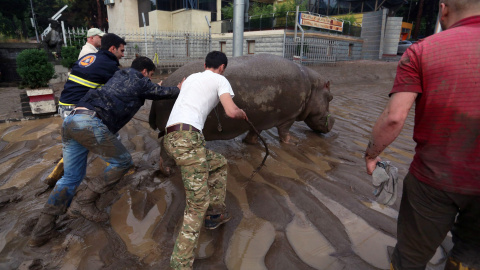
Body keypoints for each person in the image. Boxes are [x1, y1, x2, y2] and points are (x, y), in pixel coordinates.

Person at [364, 1, 480, 269]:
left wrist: (372, 154)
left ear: (444, 9)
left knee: (411, 257)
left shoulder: (422, 50)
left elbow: (394, 117)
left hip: (433, 181)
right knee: (472, 253)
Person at [29, 56, 182, 247]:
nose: (149, 79)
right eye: (150, 76)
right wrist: (179, 88)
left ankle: (41, 232)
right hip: (89, 124)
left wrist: (153, 87)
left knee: (70, 178)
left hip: (72, 121)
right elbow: (164, 92)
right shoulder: (139, 79)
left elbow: (149, 90)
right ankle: (85, 200)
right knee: (123, 162)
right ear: (145, 71)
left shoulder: (119, 75)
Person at [163, 51, 247, 269]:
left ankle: (215, 214)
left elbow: (180, 89)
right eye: (223, 69)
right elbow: (229, 111)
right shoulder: (220, 79)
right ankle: (179, 264)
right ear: (222, 67)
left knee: (219, 162)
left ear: (204, 64)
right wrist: (241, 113)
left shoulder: (191, 77)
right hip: (188, 140)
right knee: (196, 205)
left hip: (171, 138)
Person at [44, 33, 126, 187]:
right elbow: (123, 87)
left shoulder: (88, 58)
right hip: (79, 111)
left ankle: (58, 173)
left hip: (64, 107)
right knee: (112, 137)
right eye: (121, 51)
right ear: (112, 48)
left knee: (79, 141)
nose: (123, 55)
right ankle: (119, 170)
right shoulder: (109, 65)